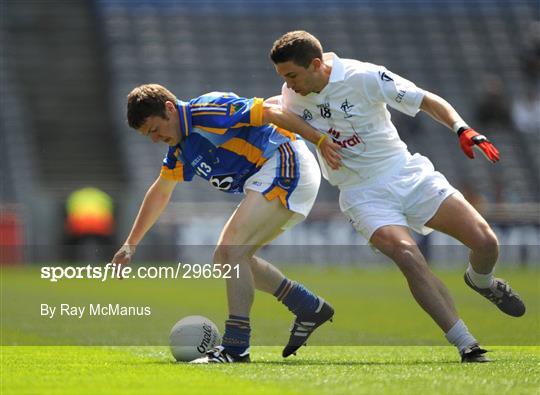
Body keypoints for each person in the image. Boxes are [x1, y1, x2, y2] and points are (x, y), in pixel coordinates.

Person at [269, 31, 526, 363]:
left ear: (316, 64)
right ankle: (467, 345)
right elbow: (277, 112)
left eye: (292, 75)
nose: (287, 85)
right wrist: (317, 139)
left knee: (486, 242)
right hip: (361, 192)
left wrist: (463, 129)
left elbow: (427, 100)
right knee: (407, 255)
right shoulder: (291, 94)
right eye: (282, 78)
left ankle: (481, 280)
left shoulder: (364, 76)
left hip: (405, 172)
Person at [111, 84, 335, 363]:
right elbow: (161, 191)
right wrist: (130, 244)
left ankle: (235, 347)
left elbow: (271, 111)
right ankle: (308, 306)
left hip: (286, 161)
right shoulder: (180, 148)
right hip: (272, 175)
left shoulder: (207, 109)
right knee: (227, 258)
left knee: (231, 252)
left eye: (155, 129)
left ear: (169, 109)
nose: (155, 139)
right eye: (149, 136)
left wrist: (321, 141)